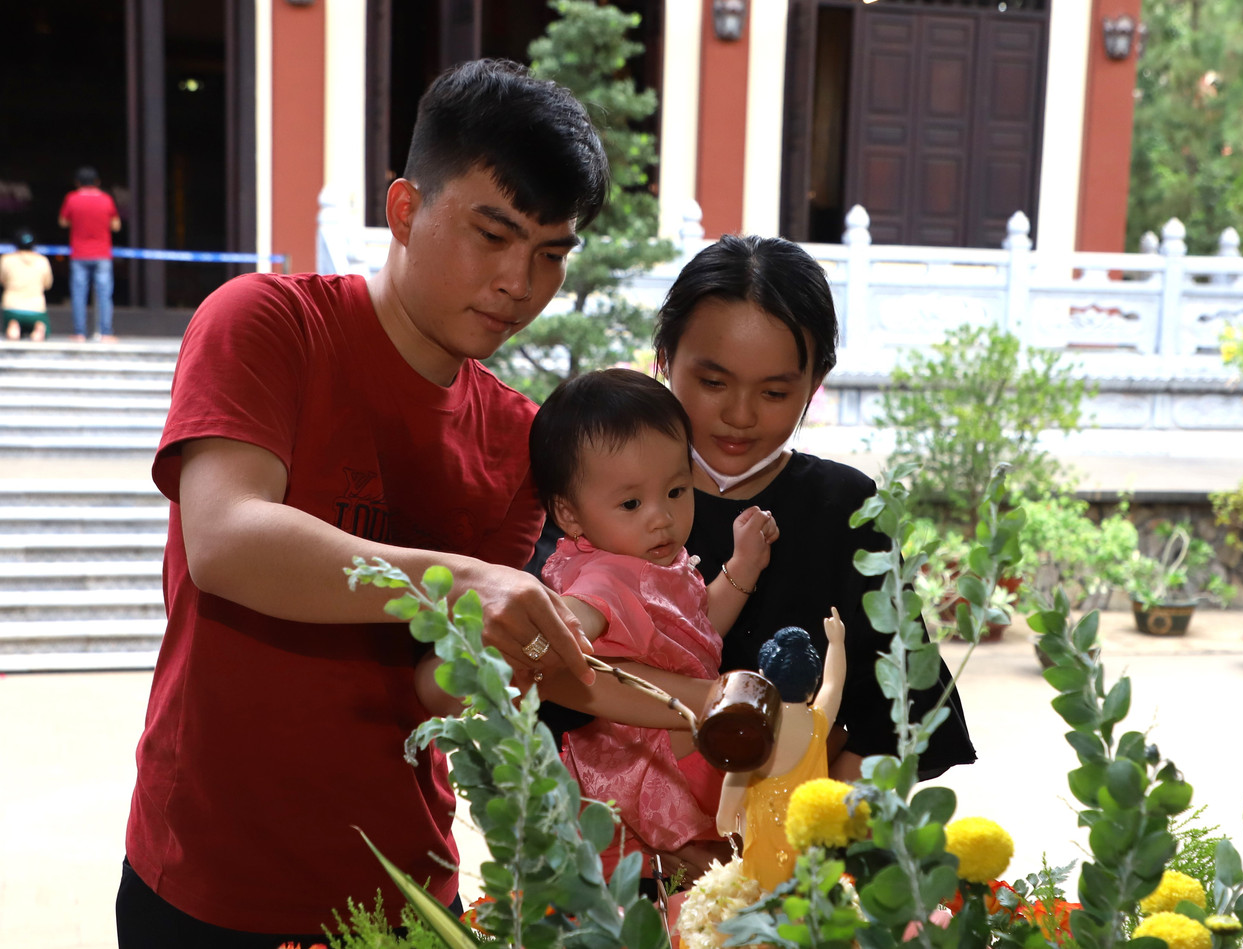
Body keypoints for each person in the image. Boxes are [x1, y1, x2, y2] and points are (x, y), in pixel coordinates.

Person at [117, 59, 608, 949]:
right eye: (493, 234)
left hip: (405, 886)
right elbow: (227, 540)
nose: (520, 282)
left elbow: (430, 685)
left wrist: (532, 649)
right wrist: (465, 583)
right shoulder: (268, 323)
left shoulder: (518, 439)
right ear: (405, 210)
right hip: (209, 876)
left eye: (550, 254)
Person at [535, 235, 974, 798]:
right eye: (713, 382)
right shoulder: (588, 493)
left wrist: (802, 822)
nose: (739, 415)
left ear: (815, 383)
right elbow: (546, 665)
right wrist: (729, 706)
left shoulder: (847, 507)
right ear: (664, 358)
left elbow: (902, 708)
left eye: (774, 393)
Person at [521, 368, 777, 879]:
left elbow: (697, 632)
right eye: (632, 503)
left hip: (663, 749)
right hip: (641, 759)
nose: (662, 517)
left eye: (677, 490)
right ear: (569, 515)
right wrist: (560, 623)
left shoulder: (650, 561)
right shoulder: (608, 576)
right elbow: (580, 612)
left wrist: (742, 568)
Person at [716, 612, 846, 892]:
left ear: (764, 679)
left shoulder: (755, 732)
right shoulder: (819, 723)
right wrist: (836, 643)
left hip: (764, 834)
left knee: (763, 891)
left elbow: (735, 779)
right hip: (808, 836)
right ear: (812, 685)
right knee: (805, 894)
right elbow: (834, 684)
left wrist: (725, 817)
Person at [58, 166, 121, 342]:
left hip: (79, 254)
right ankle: (106, 333)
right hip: (102, 254)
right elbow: (116, 225)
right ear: (97, 182)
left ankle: (79, 333)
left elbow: (63, 222)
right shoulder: (106, 199)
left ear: (77, 183)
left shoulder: (72, 198)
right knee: (104, 295)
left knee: (79, 295)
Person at [2, 228, 53, 341]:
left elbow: (2, 280)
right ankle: (38, 327)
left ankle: (13, 326)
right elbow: (48, 284)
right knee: (44, 327)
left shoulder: (6, 259)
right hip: (36, 308)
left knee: (10, 322)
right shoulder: (42, 260)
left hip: (12, 307)